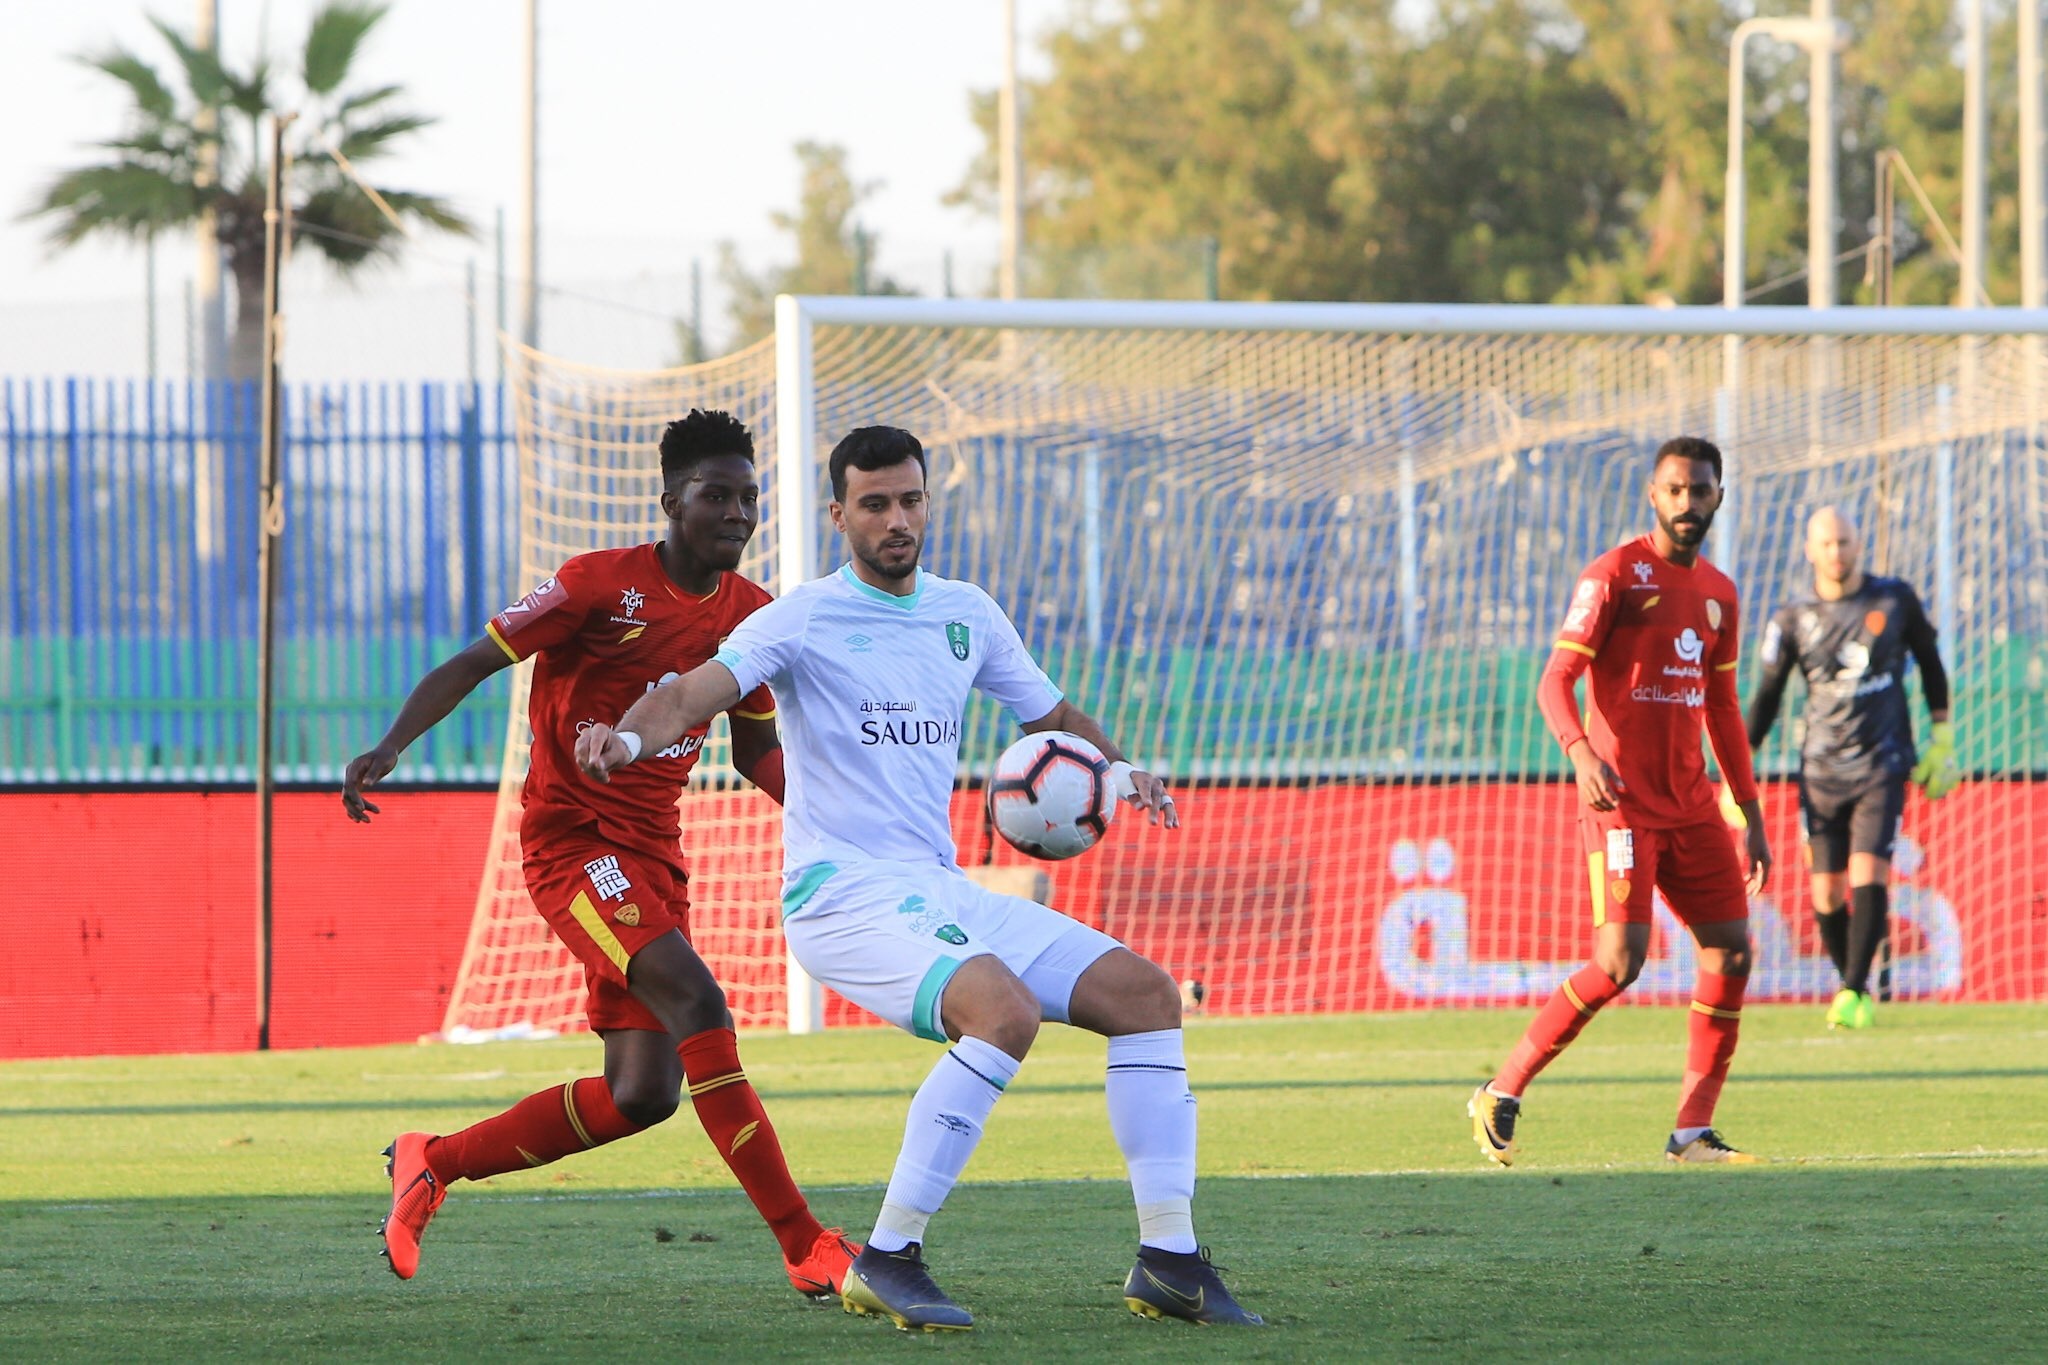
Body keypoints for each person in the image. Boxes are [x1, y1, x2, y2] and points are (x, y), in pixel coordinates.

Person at [573, 426, 1262, 1332]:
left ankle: (1169, 1259)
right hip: (841, 895)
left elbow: (1049, 714)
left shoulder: (964, 612)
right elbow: (692, 693)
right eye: (874, 504)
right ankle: (890, 1256)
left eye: (910, 500)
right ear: (838, 515)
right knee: (1003, 1013)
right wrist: (623, 738)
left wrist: (1123, 770)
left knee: (1145, 994)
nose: (897, 520)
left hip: (932, 887)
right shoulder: (803, 614)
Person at [341, 409, 857, 1296]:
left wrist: (844, 819)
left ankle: (433, 1161)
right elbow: (473, 661)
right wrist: (392, 744)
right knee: (699, 996)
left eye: (749, 498)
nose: (737, 513)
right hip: (573, 846)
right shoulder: (594, 585)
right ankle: (806, 1243)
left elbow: (756, 751)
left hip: (655, 854)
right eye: (716, 495)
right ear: (670, 500)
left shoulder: (752, 614)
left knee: (644, 1092)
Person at [1469, 436, 1772, 1167]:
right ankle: (1500, 1089)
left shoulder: (1720, 594)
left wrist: (1751, 815)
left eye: (1700, 491)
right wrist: (1580, 753)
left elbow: (1725, 710)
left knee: (1731, 948)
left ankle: (1692, 1131)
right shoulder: (1614, 576)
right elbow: (1554, 680)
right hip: (1622, 803)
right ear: (1652, 494)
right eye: (1675, 490)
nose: (1688, 503)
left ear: (1718, 498)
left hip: (1693, 804)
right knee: (1620, 959)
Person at [1745, 506, 1955, 1030]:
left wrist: (1942, 737)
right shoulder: (1792, 619)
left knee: (1868, 872)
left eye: (1844, 541)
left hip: (1882, 762)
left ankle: (1856, 991)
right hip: (1819, 771)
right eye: (1827, 544)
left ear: (1857, 544)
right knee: (1827, 893)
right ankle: (1851, 982)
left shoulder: (1894, 599)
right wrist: (1738, 764)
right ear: (1810, 551)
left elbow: (1931, 666)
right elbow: (1768, 698)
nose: (1836, 552)